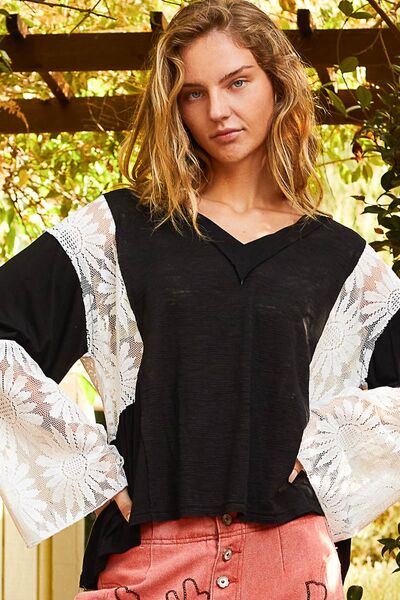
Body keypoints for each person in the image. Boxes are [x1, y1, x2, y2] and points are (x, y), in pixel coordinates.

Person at [2, 0, 400, 598]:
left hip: (291, 559)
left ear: (277, 85)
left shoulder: (342, 260)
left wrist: (336, 445)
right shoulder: (117, 231)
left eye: (238, 82)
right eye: (193, 93)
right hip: (147, 555)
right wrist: (85, 469)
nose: (217, 110)